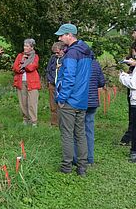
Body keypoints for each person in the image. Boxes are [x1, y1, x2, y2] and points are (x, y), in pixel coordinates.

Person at [54, 23, 93, 176]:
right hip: (82, 99)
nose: (60, 38)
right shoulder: (87, 52)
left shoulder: (71, 54)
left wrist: (62, 98)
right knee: (80, 134)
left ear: (69, 35)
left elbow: (69, 78)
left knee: (67, 134)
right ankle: (82, 167)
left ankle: (66, 167)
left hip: (70, 100)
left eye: (62, 35)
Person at [74, 58, 105, 165]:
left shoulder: (77, 63)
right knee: (89, 130)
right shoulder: (96, 64)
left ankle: (77, 157)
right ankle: (89, 158)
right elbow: (101, 82)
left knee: (77, 130)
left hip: (80, 101)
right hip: (92, 101)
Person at [12, 38, 41, 126]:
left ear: (32, 47)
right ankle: (25, 119)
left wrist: (23, 66)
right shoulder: (20, 56)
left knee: (32, 102)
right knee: (23, 102)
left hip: (32, 82)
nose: (25, 47)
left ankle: (33, 121)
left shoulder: (35, 56)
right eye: (24, 46)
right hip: (21, 82)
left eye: (27, 46)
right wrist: (23, 62)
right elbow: (15, 68)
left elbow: (32, 67)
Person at [46, 42, 66, 126]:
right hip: (52, 84)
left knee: (63, 104)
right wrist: (50, 81)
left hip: (63, 85)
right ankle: (54, 123)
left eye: (58, 52)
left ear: (63, 50)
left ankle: (64, 123)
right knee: (53, 104)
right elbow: (48, 70)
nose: (56, 54)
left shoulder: (67, 58)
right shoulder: (53, 58)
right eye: (55, 53)